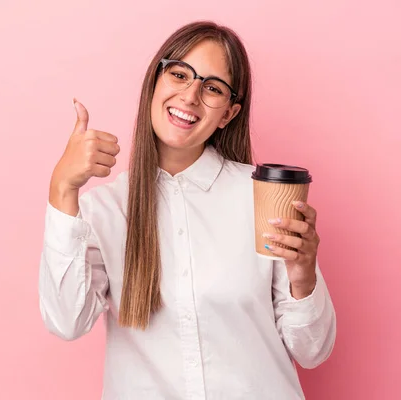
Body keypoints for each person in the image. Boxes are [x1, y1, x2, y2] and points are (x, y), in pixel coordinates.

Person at [38, 20, 336, 400]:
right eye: (179, 74)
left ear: (228, 114)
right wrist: (62, 189)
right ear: (154, 83)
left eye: (212, 87)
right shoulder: (104, 211)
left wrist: (303, 274)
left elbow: (313, 351)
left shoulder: (261, 197)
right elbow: (66, 322)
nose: (191, 95)